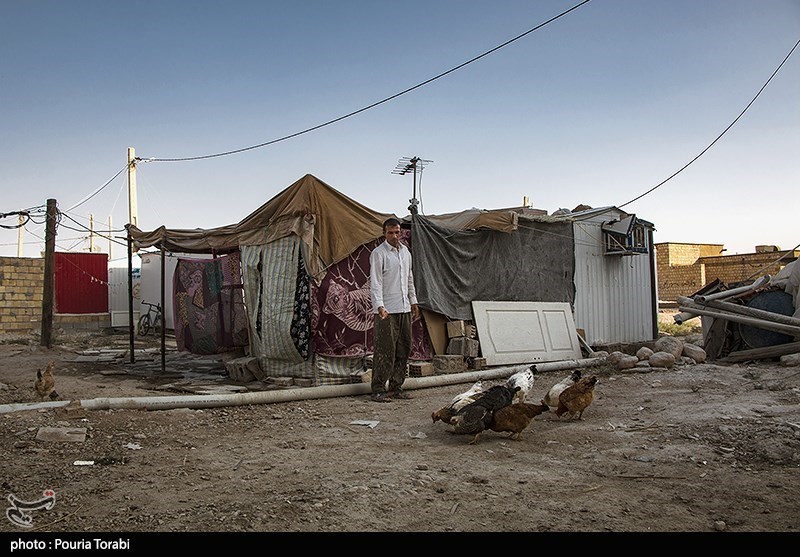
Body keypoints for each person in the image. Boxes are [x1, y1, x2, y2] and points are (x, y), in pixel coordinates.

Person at [368, 217, 420, 402]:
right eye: (391, 232)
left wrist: (413, 301)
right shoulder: (378, 253)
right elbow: (375, 283)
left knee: (403, 349)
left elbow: (409, 278)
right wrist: (379, 306)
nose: (395, 236)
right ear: (384, 233)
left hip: (404, 307)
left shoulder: (406, 252)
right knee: (385, 350)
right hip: (387, 310)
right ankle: (378, 389)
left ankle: (396, 387)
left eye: (397, 232)